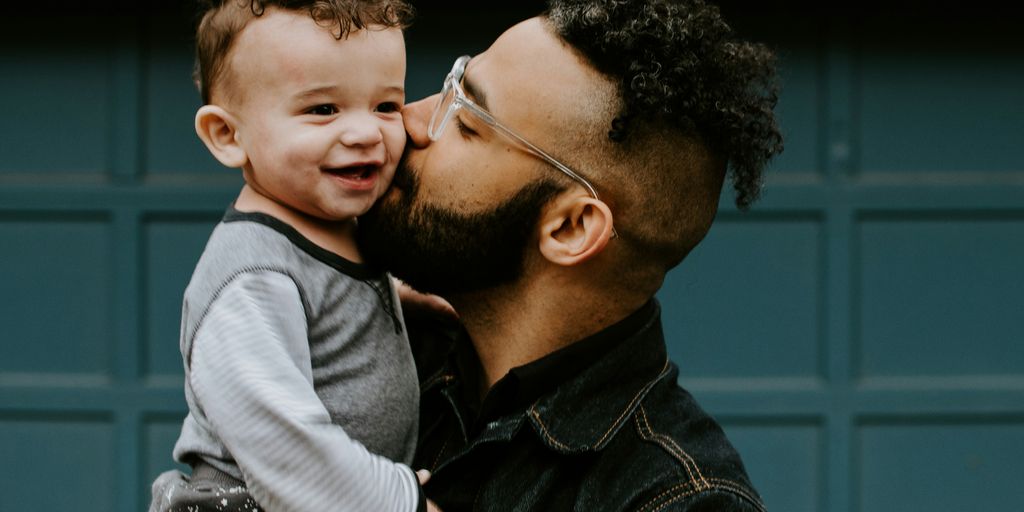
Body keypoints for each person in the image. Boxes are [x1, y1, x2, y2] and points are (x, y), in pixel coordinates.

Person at [155, 0, 783, 510]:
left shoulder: (667, 499)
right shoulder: (379, 344)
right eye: (448, 85)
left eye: (468, 118)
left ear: (568, 227)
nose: (408, 120)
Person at [148, 1, 431, 511]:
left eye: (386, 106)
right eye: (323, 109)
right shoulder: (252, 279)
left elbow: (334, 308)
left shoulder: (334, 227)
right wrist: (401, 503)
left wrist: (413, 302)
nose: (366, 132)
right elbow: (284, 446)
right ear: (228, 135)